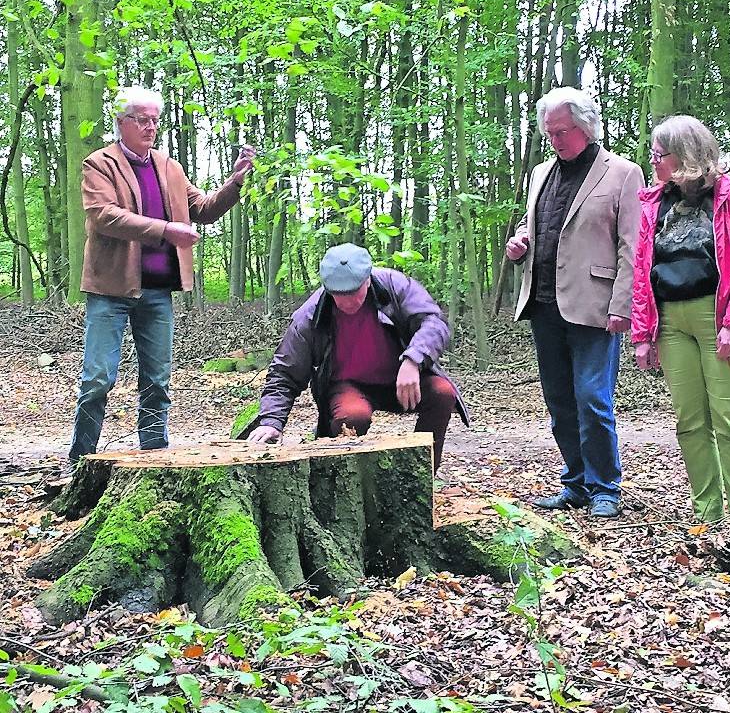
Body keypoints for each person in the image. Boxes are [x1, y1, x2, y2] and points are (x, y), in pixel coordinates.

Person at [68, 86, 255, 465]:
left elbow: (201, 209)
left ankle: (155, 459)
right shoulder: (99, 164)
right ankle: (80, 461)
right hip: (111, 289)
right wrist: (166, 230)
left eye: (155, 120)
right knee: (97, 380)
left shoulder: (169, 167)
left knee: (157, 381)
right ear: (122, 123)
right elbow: (105, 216)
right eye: (142, 119)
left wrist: (234, 182)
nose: (151, 127)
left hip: (157, 291)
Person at [506, 87, 644, 518]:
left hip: (596, 307)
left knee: (592, 398)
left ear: (586, 127)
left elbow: (633, 247)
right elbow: (544, 231)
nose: (556, 140)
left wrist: (623, 304)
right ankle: (577, 482)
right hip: (544, 305)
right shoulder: (541, 173)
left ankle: (605, 486)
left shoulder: (623, 173)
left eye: (563, 132)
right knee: (560, 400)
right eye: (550, 133)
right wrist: (519, 246)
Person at [631, 116, 730, 538]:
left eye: (660, 154)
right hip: (671, 322)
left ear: (686, 156)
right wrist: (641, 334)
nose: (653, 161)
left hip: (722, 318)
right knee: (690, 423)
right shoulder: (654, 202)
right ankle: (707, 512)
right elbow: (642, 270)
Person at [246, 244, 467, 470]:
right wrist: (272, 422)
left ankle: (422, 473)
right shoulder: (310, 316)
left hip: (402, 379)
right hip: (349, 386)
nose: (348, 302)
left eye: (354, 292)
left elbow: (434, 322)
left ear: (368, 280)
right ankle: (344, 481)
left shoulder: (394, 285)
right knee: (352, 416)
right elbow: (285, 373)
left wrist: (414, 359)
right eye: (339, 296)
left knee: (442, 392)